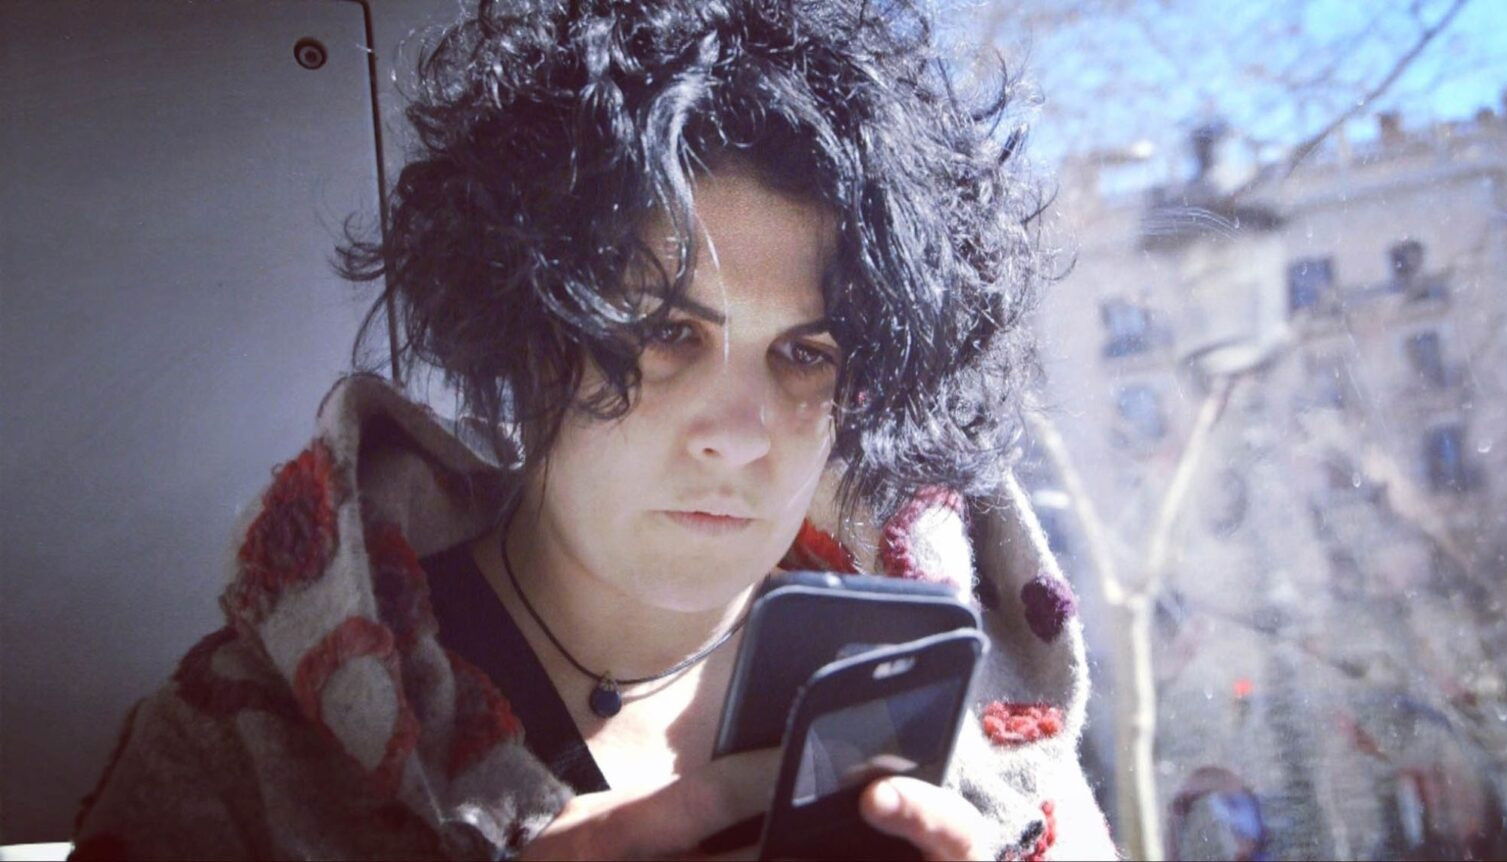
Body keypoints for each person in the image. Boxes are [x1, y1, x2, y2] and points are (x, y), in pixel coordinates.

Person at [70, 0, 1117, 858]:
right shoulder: (242, 752)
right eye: (664, 333)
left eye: (807, 353)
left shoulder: (981, 729)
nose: (740, 435)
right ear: (533, 336)